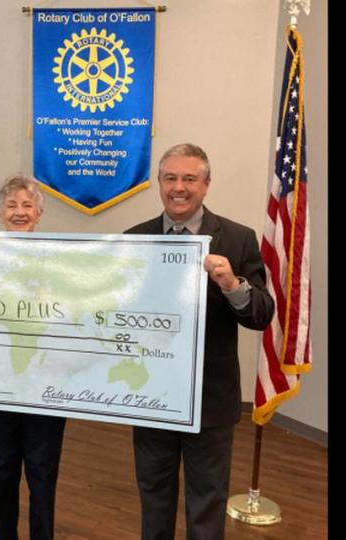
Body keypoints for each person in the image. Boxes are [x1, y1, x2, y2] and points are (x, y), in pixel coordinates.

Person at [123, 143, 274, 539]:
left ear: (206, 185)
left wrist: (231, 284)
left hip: (210, 399)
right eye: (170, 178)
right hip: (150, 397)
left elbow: (261, 314)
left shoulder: (238, 239)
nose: (179, 187)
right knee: (153, 497)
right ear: (159, 183)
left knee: (207, 503)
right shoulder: (133, 240)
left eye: (189, 179)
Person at [0, 174, 67, 540]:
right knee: (1, 470)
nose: (19, 212)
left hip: (45, 384)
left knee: (43, 472)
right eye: (12, 205)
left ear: (39, 213)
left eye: (27, 205)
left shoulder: (61, 262)